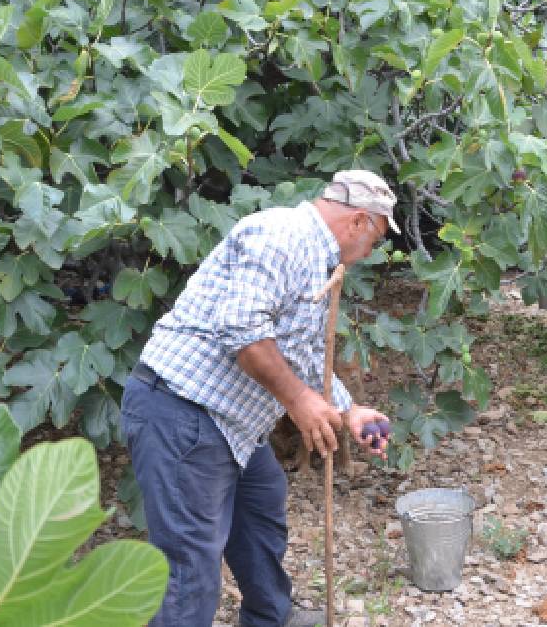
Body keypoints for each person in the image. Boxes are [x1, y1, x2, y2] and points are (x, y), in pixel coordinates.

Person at [121, 169, 398, 626]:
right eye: (377, 239)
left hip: (232, 426)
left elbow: (305, 352)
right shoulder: (279, 235)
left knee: (262, 509)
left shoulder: (317, 260)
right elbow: (243, 333)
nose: (371, 252)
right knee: (188, 569)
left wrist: (349, 410)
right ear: (359, 222)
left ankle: (270, 616)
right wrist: (300, 402)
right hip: (183, 411)